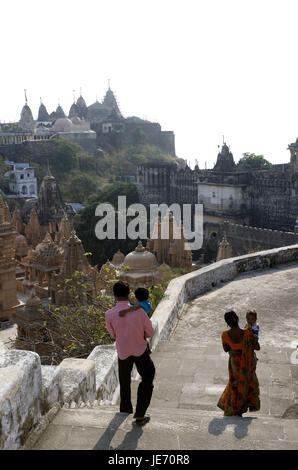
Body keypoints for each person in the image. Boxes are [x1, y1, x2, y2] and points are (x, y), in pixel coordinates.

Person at [105, 281, 155, 426]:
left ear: (115, 295)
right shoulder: (139, 311)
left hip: (123, 352)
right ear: (129, 294)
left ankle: (125, 410)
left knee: (124, 382)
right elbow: (150, 332)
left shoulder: (109, 314)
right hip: (140, 349)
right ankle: (140, 413)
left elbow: (113, 334)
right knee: (148, 375)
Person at [217, 310, 260, 417]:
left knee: (235, 384)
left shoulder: (225, 335)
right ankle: (243, 408)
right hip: (247, 363)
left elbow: (226, 349)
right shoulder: (248, 333)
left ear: (227, 322)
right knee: (247, 383)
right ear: (238, 319)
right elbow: (257, 347)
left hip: (234, 364)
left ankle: (234, 408)